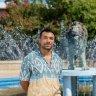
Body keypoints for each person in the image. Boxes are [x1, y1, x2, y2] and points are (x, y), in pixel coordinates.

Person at [20, 28, 63, 96]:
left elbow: (58, 81)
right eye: (45, 38)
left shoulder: (58, 59)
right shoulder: (29, 58)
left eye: (51, 38)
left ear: (53, 41)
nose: (48, 41)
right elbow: (24, 82)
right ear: (40, 40)